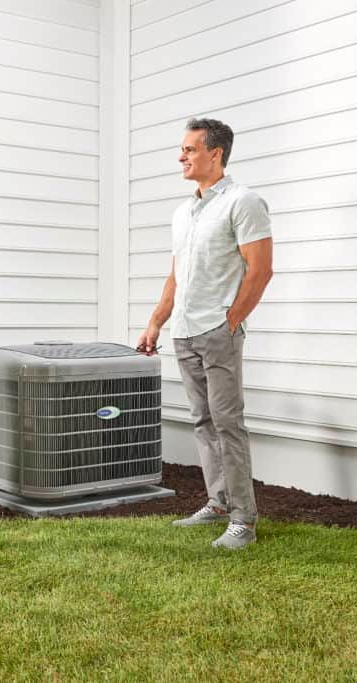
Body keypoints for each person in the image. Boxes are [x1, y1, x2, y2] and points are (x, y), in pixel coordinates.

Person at [136, 118, 273, 550]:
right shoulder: (184, 212)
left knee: (228, 423)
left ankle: (243, 521)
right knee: (202, 421)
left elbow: (261, 270)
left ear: (215, 153)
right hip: (185, 331)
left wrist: (229, 321)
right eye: (182, 149)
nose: (181, 156)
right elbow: (176, 276)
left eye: (189, 149)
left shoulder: (243, 202)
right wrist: (156, 321)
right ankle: (216, 502)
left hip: (217, 331)